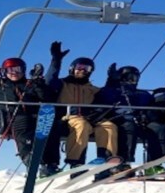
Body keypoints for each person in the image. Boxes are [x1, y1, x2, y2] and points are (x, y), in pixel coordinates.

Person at [45, 41, 119, 178]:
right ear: (72, 68)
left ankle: (105, 162)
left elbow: (108, 96)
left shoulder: (91, 88)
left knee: (108, 126)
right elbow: (49, 82)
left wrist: (112, 80)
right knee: (81, 124)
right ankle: (76, 162)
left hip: (89, 118)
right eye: (79, 67)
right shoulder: (62, 84)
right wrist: (56, 61)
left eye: (87, 68)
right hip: (67, 118)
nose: (82, 70)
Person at [93, 64, 163, 176]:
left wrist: (148, 116)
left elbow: (152, 109)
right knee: (129, 127)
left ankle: (155, 163)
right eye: (129, 77)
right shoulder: (114, 91)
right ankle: (124, 161)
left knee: (158, 129)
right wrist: (111, 81)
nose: (132, 81)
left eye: (135, 78)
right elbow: (104, 97)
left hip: (139, 122)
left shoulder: (142, 94)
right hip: (117, 120)